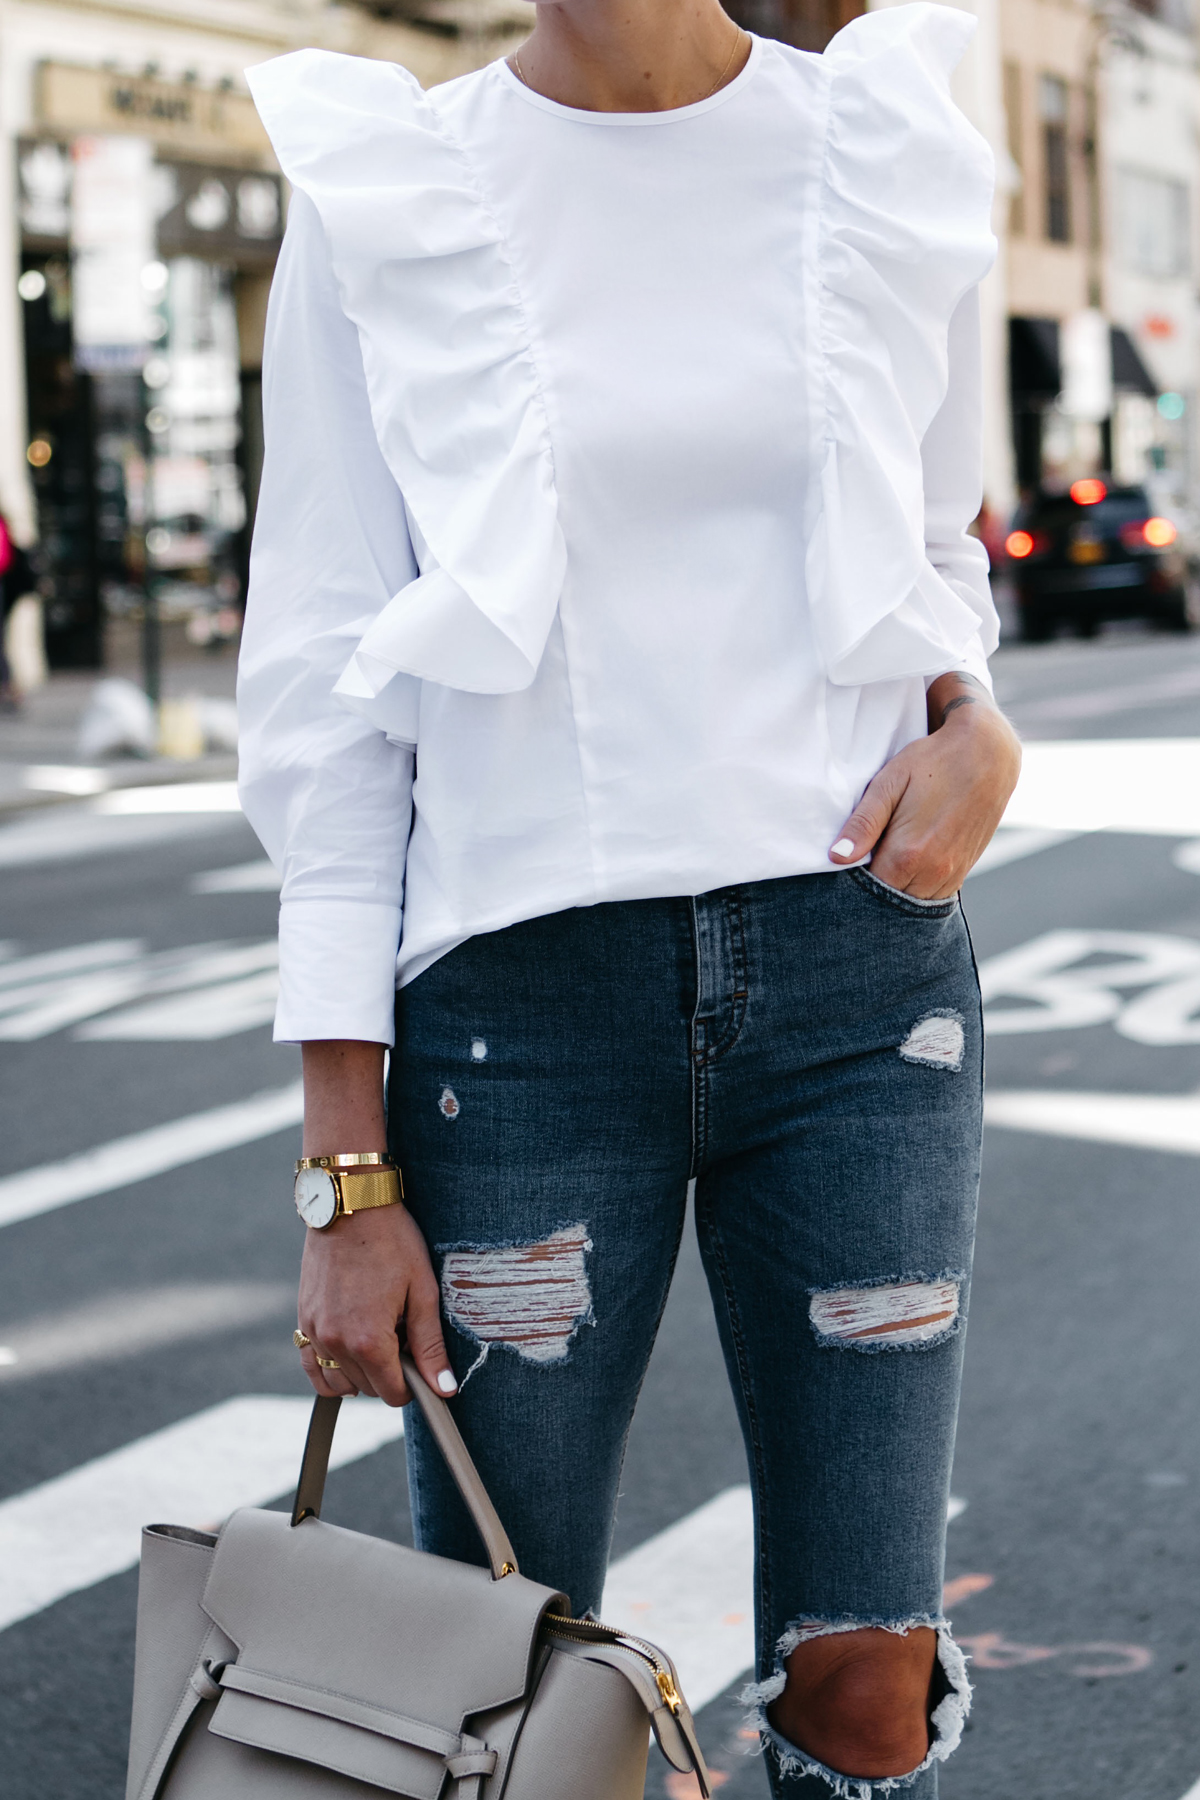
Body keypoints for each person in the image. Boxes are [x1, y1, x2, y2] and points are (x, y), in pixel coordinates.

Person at [239, 2, 1022, 1792]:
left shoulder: (883, 147)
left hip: (858, 997)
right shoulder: (395, 189)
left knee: (867, 1677)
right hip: (519, 1030)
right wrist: (345, 1175)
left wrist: (978, 719)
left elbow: (932, 553)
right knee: (508, 1671)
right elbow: (323, 694)